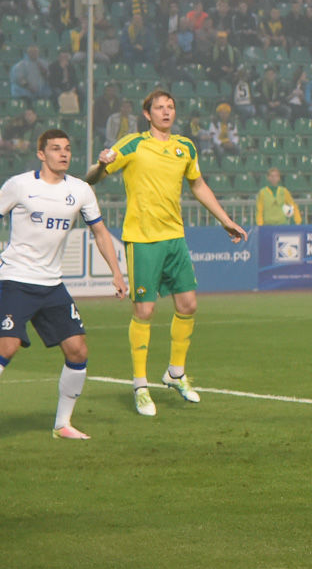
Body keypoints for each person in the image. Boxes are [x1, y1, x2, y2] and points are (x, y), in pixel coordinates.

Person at [0, 129, 127, 448]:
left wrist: (117, 272)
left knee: (78, 350)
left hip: (52, 284)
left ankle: (63, 424)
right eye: (56, 148)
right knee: (7, 347)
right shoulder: (20, 185)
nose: (63, 154)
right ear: (41, 154)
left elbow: (100, 232)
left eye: (67, 148)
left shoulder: (81, 190)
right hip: (17, 279)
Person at [87, 90, 248, 416]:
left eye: (170, 107)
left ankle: (175, 373)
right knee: (144, 311)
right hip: (143, 239)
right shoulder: (133, 144)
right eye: (159, 107)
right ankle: (140, 386)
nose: (166, 112)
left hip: (175, 238)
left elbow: (198, 185)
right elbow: (93, 177)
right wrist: (101, 164)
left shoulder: (185, 147)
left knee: (188, 305)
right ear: (147, 114)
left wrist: (226, 220)